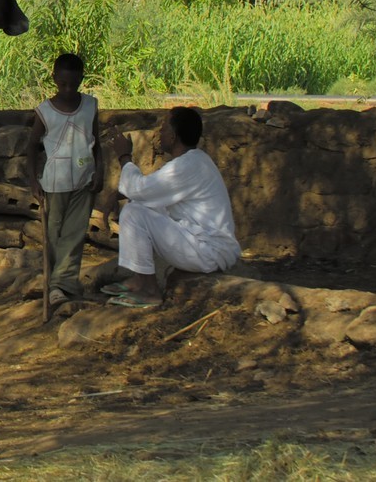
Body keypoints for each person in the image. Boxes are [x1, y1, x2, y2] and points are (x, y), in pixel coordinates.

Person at [100, 105, 241, 307]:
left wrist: (124, 156)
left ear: (174, 136)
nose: (159, 133)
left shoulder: (187, 166)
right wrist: (123, 193)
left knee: (134, 212)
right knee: (137, 205)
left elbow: (141, 189)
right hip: (202, 244)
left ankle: (149, 290)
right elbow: (151, 193)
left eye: (164, 128)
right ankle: (139, 279)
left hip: (206, 250)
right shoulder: (193, 162)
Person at [27, 52, 101, 308]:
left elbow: (96, 143)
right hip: (54, 183)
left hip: (84, 179)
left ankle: (61, 285)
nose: (69, 90)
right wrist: (33, 181)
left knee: (75, 233)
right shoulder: (44, 111)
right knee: (53, 233)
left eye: (74, 84)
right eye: (64, 84)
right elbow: (31, 147)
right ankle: (55, 281)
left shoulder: (91, 106)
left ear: (82, 79)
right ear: (55, 79)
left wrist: (99, 172)